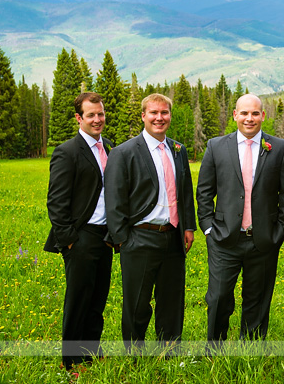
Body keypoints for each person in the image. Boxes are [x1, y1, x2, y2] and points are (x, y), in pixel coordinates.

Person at [197, 93, 284, 346]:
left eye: (255, 113)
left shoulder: (280, 148)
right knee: (218, 297)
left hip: (263, 240)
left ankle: (250, 348)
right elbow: (205, 191)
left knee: (258, 298)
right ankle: (215, 347)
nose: (249, 118)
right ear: (235, 115)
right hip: (223, 239)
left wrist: (281, 229)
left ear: (263, 115)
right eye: (244, 113)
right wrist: (208, 228)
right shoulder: (216, 146)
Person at [105, 93, 196, 352]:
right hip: (139, 237)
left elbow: (186, 192)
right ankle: (134, 350)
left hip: (173, 236)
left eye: (164, 113)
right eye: (153, 113)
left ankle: (169, 349)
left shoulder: (178, 150)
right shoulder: (124, 152)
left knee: (171, 299)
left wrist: (188, 226)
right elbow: (114, 199)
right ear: (143, 116)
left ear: (170, 115)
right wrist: (123, 239)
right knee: (137, 301)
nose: (159, 118)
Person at [45, 92, 114, 371]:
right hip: (81, 236)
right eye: (91, 115)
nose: (97, 120)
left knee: (98, 298)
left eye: (100, 114)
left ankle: (90, 352)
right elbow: (56, 200)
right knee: (78, 300)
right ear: (79, 118)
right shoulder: (67, 151)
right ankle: (71, 361)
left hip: (105, 236)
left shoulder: (109, 147)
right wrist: (70, 240)